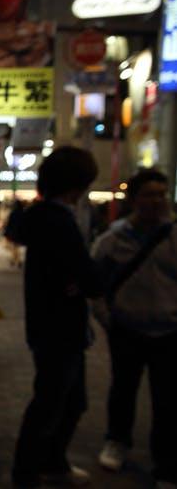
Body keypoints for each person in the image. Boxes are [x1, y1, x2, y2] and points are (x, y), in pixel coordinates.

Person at [12, 146, 102, 488]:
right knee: (51, 404)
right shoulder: (59, 221)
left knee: (68, 401)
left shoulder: (42, 216)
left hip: (48, 324)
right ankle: (29, 473)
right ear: (77, 184)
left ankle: (50, 462)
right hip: (58, 327)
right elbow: (88, 277)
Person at [91, 169, 177, 487]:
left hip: (169, 331)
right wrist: (108, 319)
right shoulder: (112, 240)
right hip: (127, 328)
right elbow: (95, 285)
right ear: (133, 200)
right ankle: (117, 441)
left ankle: (167, 464)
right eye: (149, 194)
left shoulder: (174, 236)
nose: (156, 201)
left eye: (161, 194)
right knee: (123, 388)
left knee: (168, 399)